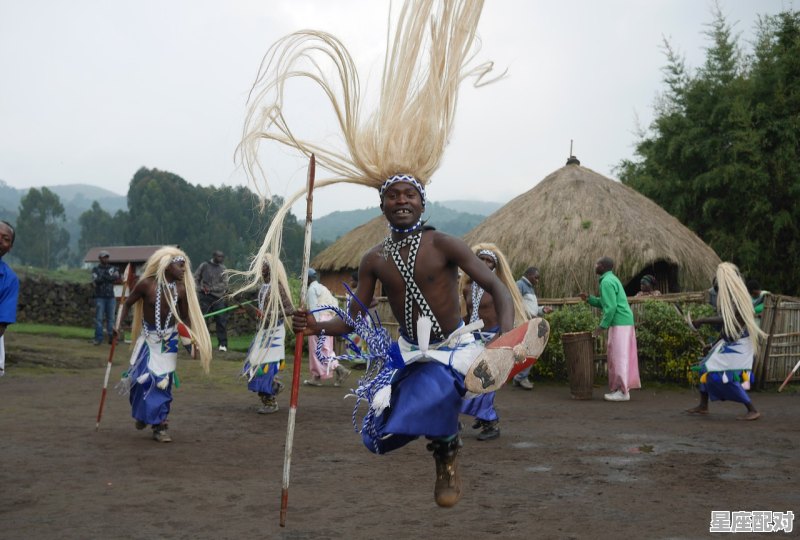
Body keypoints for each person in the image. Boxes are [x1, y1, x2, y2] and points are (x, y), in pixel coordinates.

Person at [239, 1, 511, 508]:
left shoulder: (444, 243)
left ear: (422, 201)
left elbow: (494, 286)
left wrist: (507, 342)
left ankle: (446, 455)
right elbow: (357, 317)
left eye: (409, 195)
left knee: (433, 391)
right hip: (405, 351)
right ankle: (444, 445)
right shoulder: (373, 258)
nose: (401, 201)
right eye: (392, 196)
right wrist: (316, 327)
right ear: (381, 204)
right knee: (379, 431)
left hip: (451, 348)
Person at [115, 247, 212, 442]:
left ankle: (160, 425)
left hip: (168, 342)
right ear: (167, 266)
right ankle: (143, 415)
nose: (184, 269)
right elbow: (127, 304)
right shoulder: (146, 285)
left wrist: (191, 339)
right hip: (148, 340)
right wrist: (117, 326)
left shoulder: (181, 290)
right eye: (180, 265)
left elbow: (184, 317)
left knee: (161, 383)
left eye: (185, 265)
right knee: (139, 381)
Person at [459, 244, 528, 441]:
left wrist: (502, 339)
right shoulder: (467, 288)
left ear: (494, 266)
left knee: (486, 380)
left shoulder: (498, 288)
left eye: (489, 261)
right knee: (468, 378)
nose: (484, 263)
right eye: (481, 259)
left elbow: (506, 313)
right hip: (473, 339)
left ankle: (491, 422)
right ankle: (481, 417)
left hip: (494, 337)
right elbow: (469, 315)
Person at [686, 263, 765, 421]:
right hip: (731, 339)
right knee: (704, 368)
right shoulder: (731, 297)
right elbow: (727, 327)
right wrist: (713, 344)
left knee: (726, 375)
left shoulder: (738, 298)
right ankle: (703, 405)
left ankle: (752, 409)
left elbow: (728, 320)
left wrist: (702, 320)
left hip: (741, 342)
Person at [579, 256, 640, 402]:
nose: (595, 265)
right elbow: (606, 303)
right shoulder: (611, 279)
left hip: (620, 323)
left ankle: (623, 392)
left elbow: (611, 307)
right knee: (622, 356)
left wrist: (602, 326)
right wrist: (589, 299)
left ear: (602, 267)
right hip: (624, 321)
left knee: (619, 356)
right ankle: (623, 389)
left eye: (597, 264)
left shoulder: (606, 282)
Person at [242, 256, 294, 414]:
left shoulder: (277, 287)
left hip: (274, 334)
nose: (260, 267)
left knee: (263, 369)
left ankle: (270, 401)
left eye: (263, 265)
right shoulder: (263, 287)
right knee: (250, 366)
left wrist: (270, 313)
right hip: (263, 332)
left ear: (271, 267)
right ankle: (274, 385)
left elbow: (290, 309)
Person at [304, 268, 350, 387]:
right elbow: (334, 303)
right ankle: (317, 376)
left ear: (308, 278)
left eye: (305, 279)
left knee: (317, 350)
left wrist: (316, 325)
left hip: (318, 320)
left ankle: (338, 369)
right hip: (328, 319)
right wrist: (331, 319)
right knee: (326, 348)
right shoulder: (324, 288)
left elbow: (314, 309)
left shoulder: (311, 289)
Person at [512, 266, 553, 390]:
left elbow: (530, 307)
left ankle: (519, 377)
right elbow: (514, 302)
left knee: (527, 351)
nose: (537, 280)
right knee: (531, 350)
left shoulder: (530, 288)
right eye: (536, 277)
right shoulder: (520, 284)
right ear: (529, 275)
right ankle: (521, 377)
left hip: (529, 323)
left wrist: (542, 310)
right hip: (523, 324)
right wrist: (528, 315)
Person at [194, 250, 229, 352]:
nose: (221, 258)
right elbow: (196, 278)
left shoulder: (223, 269)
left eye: (222, 257)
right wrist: (200, 288)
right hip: (205, 297)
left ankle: (223, 344)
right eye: (219, 256)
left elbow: (225, 284)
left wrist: (212, 288)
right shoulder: (204, 266)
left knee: (221, 321)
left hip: (218, 298)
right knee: (203, 321)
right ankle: (202, 343)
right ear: (214, 256)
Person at [0, 221, 19, 377]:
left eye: (5, 238)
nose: (0, 240)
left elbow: (1, 324)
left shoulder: (9, 279)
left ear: (10, 247)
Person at [91, 250, 120, 345]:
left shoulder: (112, 268)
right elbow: (96, 280)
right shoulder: (95, 269)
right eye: (104, 257)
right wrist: (108, 277)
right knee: (99, 318)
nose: (106, 258)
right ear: (100, 258)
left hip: (111, 297)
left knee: (111, 318)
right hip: (100, 297)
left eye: (107, 257)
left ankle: (111, 338)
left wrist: (103, 277)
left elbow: (116, 277)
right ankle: (98, 338)